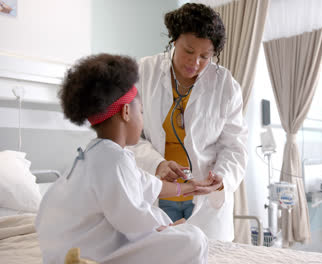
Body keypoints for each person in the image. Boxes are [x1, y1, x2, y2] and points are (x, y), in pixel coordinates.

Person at [35, 54, 214, 264]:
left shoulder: (97, 154)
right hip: (88, 254)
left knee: (180, 233)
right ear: (126, 111)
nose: (143, 119)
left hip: (63, 250)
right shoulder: (114, 160)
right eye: (142, 111)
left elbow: (147, 184)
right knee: (194, 239)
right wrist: (167, 227)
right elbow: (134, 220)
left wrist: (191, 188)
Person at [130, 3, 248, 242]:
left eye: (205, 56)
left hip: (205, 201)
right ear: (174, 40)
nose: (195, 62)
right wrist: (157, 164)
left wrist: (221, 178)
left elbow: (234, 145)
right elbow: (130, 137)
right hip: (158, 195)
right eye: (189, 51)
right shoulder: (144, 72)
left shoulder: (225, 85)